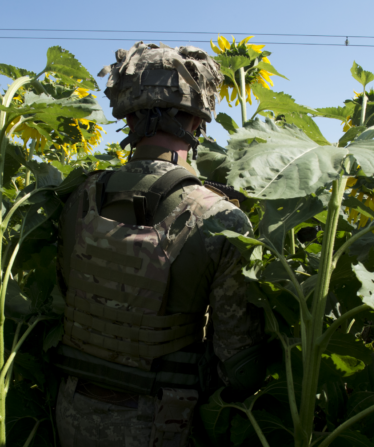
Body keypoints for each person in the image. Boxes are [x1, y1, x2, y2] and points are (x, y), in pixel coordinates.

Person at [53, 42, 266, 447]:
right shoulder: (220, 218)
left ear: (127, 115)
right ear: (199, 117)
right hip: (164, 420)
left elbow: (70, 294)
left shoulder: (79, 198)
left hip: (72, 410)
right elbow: (240, 366)